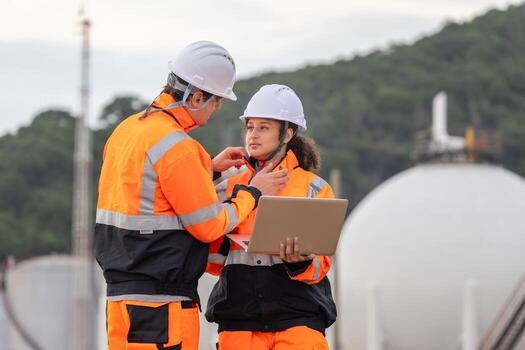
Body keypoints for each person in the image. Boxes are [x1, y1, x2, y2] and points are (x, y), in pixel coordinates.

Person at [94, 41, 288, 350]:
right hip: (162, 307)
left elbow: (148, 192)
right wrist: (252, 192)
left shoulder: (128, 131)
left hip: (122, 302)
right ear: (196, 97)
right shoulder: (179, 148)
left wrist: (208, 169)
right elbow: (209, 225)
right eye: (216, 100)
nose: (217, 108)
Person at [206, 84, 337, 350]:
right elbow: (214, 263)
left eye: (263, 127)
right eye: (250, 127)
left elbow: (319, 268)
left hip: (298, 322)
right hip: (239, 323)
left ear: (288, 133)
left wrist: (299, 263)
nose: (252, 135)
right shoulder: (226, 188)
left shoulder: (315, 189)